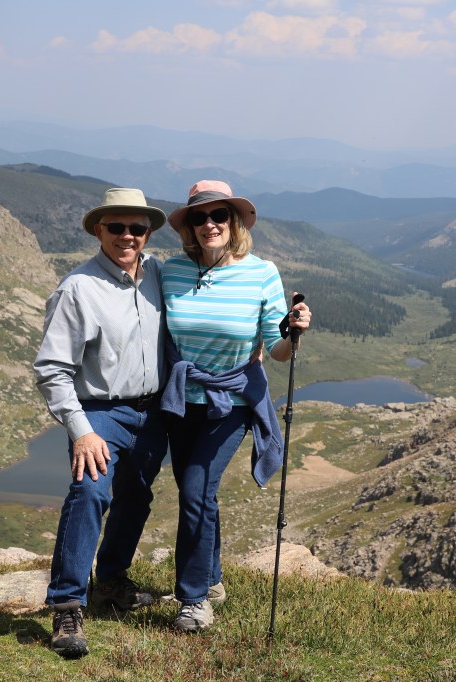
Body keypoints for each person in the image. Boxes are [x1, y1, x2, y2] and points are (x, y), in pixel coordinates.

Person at [160, 180, 311, 633]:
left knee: (195, 491)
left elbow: (276, 350)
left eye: (219, 215)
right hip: (182, 399)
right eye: (199, 217)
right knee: (199, 494)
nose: (209, 224)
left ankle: (193, 600)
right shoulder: (172, 270)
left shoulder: (261, 273)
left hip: (232, 401)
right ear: (189, 226)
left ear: (235, 221)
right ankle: (212, 580)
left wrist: (292, 333)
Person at [33, 187, 170, 658]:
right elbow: (52, 370)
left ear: (148, 233)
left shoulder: (157, 274)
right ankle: (67, 605)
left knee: (136, 497)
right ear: (98, 230)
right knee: (90, 493)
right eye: (116, 227)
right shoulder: (78, 289)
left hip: (151, 412)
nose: (127, 236)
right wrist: (81, 431)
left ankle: (110, 581)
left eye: (137, 228)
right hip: (100, 412)